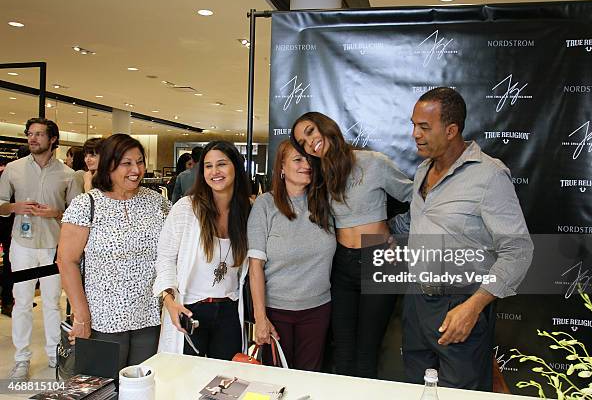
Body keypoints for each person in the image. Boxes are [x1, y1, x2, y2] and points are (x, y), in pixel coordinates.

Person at [403, 87, 533, 390]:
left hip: (461, 306)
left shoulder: (489, 176)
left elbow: (518, 250)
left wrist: (473, 307)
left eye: (424, 127)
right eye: (413, 125)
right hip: (416, 303)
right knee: (414, 391)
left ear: (451, 130)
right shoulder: (422, 170)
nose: (415, 134)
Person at [291, 112, 413, 378]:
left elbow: (420, 199)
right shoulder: (318, 177)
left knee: (367, 351)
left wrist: (397, 232)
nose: (309, 143)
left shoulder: (374, 163)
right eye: (302, 142)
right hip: (340, 264)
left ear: (326, 127)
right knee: (343, 351)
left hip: (380, 260)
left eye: (310, 132)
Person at [57, 134, 171, 369]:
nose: (136, 170)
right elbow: (66, 261)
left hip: (148, 317)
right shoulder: (86, 204)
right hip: (102, 318)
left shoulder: (156, 202)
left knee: (142, 387)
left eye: (140, 162)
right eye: (126, 163)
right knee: (103, 388)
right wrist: (81, 315)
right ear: (109, 164)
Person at [0, 118, 83, 380]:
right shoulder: (12, 170)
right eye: (30, 134)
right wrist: (14, 207)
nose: (32, 138)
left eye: (38, 134)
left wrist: (56, 212)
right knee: (22, 301)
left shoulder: (68, 175)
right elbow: (0, 205)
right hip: (22, 248)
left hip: (53, 250)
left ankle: (53, 354)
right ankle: (21, 358)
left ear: (53, 139)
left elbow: (76, 214)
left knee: (51, 303)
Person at [154, 141, 250, 360]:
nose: (214, 172)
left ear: (235, 166)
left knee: (227, 382)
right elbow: (165, 258)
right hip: (190, 310)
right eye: (208, 166)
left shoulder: (245, 211)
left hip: (229, 311)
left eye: (222, 164)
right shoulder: (187, 208)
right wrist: (169, 302)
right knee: (184, 381)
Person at [247, 140, 336, 371]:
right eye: (298, 159)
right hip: (276, 313)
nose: (306, 164)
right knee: (277, 383)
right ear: (282, 168)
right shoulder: (265, 205)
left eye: (310, 159)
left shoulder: (325, 203)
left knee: (310, 379)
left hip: (318, 310)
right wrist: (260, 318)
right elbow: (255, 266)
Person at [0, 156, 15, 317]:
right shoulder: (12, 174)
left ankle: (8, 300)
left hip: (9, 224)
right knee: (9, 263)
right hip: (8, 225)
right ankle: (7, 301)